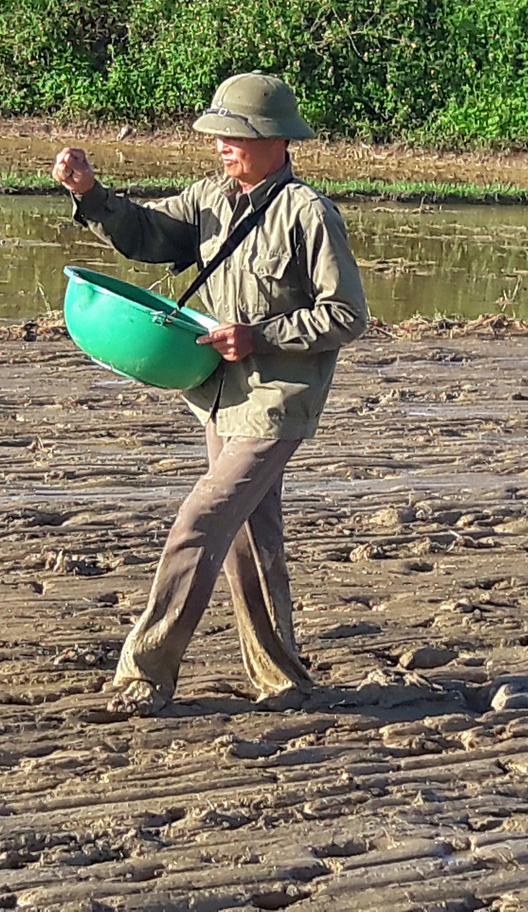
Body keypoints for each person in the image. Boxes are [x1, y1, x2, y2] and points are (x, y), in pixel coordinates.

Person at [52, 72, 369, 717]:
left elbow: (345, 316)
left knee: (200, 522)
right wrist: (90, 193)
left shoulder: (310, 213)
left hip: (278, 401)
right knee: (252, 539)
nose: (223, 145)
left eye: (237, 135)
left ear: (277, 141)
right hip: (219, 397)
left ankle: (145, 672)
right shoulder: (207, 199)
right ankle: (283, 678)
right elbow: (145, 234)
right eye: (219, 135)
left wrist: (262, 336)